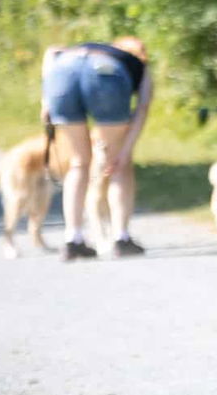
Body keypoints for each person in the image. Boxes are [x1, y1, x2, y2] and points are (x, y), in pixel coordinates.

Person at [39, 35, 153, 260]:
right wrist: (125, 151)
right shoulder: (137, 65)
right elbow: (143, 107)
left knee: (78, 163)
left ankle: (73, 239)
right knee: (118, 167)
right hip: (105, 76)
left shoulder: (82, 49)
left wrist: (46, 100)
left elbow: (51, 51)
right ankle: (121, 237)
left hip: (61, 73)